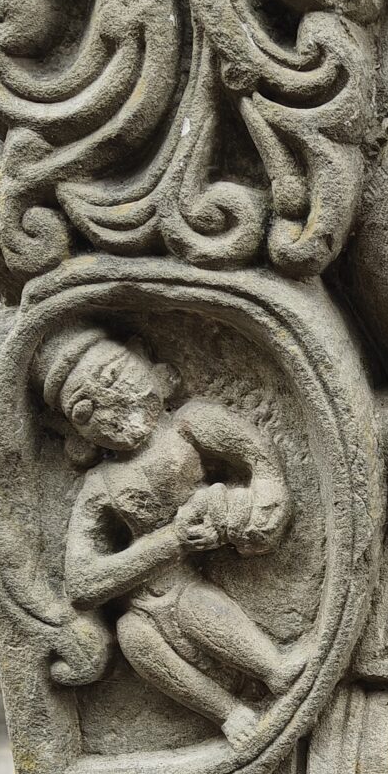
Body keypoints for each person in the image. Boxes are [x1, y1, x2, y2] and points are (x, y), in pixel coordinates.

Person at [35, 321, 305, 749]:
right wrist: (171, 541)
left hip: (193, 590)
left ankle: (275, 669)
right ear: (74, 434)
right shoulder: (101, 486)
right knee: (132, 634)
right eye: (85, 410)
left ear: (148, 362)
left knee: (197, 605)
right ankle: (228, 713)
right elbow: (82, 585)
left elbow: (262, 462)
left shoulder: (190, 425)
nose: (110, 401)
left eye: (114, 374)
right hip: (148, 602)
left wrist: (254, 509)